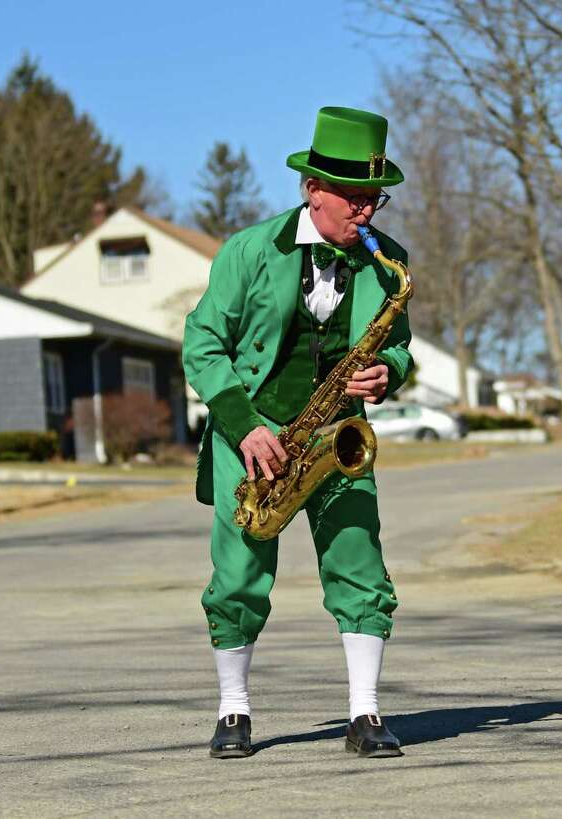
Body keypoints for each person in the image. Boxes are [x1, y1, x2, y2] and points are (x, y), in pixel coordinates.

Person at [183, 107, 413, 758]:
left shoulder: (388, 261)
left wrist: (386, 373)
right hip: (251, 436)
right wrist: (244, 426)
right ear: (313, 188)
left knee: (359, 563)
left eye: (375, 197)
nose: (366, 212)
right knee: (239, 572)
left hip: (338, 436)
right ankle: (234, 710)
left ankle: (365, 713)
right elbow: (202, 344)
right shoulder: (250, 251)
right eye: (354, 197)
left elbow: (401, 347)